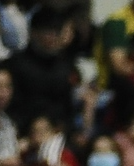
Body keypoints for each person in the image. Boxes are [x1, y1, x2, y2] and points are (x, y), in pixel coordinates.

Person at [7, 8, 81, 136]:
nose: (53, 38)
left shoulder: (65, 65)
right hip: (25, 131)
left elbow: (68, 105)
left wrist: (65, 127)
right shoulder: (15, 65)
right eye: (48, 32)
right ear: (33, 33)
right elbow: (12, 106)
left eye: (57, 32)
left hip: (60, 131)